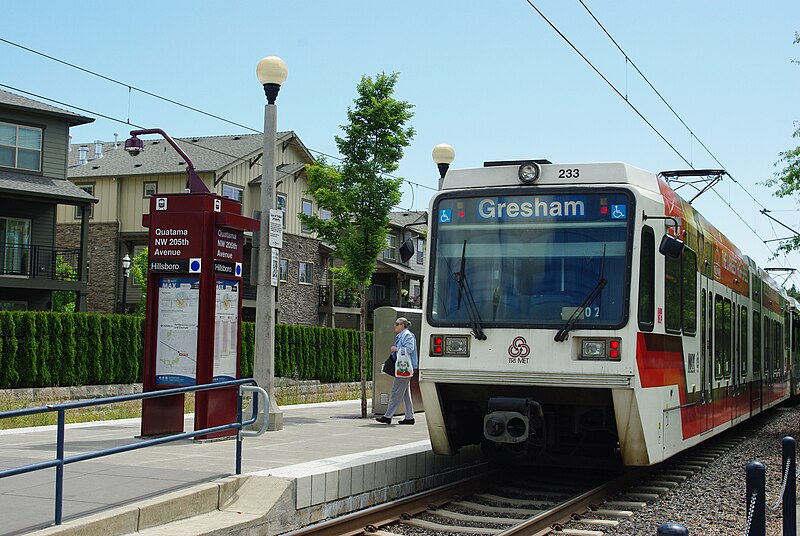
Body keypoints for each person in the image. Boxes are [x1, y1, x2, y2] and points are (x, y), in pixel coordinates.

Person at [376, 317, 418, 425]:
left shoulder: (407, 335)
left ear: (402, 325)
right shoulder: (402, 335)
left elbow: (410, 349)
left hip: (404, 368)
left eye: (397, 324)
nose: (395, 326)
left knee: (396, 392)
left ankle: (388, 416)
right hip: (404, 368)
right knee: (405, 394)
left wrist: (396, 349)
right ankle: (409, 417)